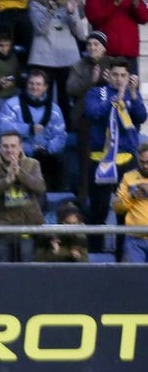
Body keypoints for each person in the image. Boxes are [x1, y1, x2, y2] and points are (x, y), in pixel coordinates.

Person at [83, 57, 145, 250]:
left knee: (125, 210)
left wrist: (133, 95)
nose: (119, 79)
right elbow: (91, 113)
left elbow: (141, 116)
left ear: (129, 77)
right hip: (101, 160)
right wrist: (112, 102)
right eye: (116, 75)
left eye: (123, 75)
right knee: (98, 210)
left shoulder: (132, 95)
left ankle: (122, 256)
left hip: (126, 161)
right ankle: (94, 254)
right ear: (108, 75)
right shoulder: (97, 92)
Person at [0, 130, 46, 261]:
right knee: (2, 274)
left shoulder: (32, 164)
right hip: (0, 228)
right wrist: (6, 181)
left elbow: (40, 187)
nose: (9, 150)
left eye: (13, 146)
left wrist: (20, 173)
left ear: (21, 147)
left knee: (27, 273)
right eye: (5, 146)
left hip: (27, 226)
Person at [0, 68, 67, 191]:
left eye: (38, 84)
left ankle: (54, 195)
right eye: (31, 83)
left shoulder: (55, 110)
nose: (34, 87)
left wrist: (48, 149)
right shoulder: (12, 104)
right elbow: (3, 127)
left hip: (46, 153)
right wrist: (28, 129)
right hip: (20, 152)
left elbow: (61, 135)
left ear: (45, 87)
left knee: (60, 161)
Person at [28, 0, 88, 120]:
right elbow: (40, 29)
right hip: (43, 57)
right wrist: (49, 12)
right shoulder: (35, 4)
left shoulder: (70, 3)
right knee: (43, 97)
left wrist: (72, 13)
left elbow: (81, 34)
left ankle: (66, 131)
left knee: (65, 98)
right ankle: (41, 127)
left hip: (67, 57)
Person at [67, 31, 108, 201]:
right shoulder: (78, 65)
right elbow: (70, 89)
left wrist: (108, 81)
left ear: (104, 48)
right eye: (89, 44)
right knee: (85, 161)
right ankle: (83, 196)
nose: (92, 48)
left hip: (107, 118)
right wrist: (91, 81)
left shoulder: (113, 65)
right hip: (85, 118)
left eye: (96, 45)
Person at [84, 0, 148, 70]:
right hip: (106, 53)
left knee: (131, 80)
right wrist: (114, 3)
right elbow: (93, 17)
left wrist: (136, 3)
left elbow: (144, 18)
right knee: (105, 80)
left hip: (129, 53)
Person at [112, 143, 148, 262]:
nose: (145, 166)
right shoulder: (128, 177)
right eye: (142, 162)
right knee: (136, 277)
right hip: (135, 239)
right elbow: (117, 207)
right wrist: (132, 196)